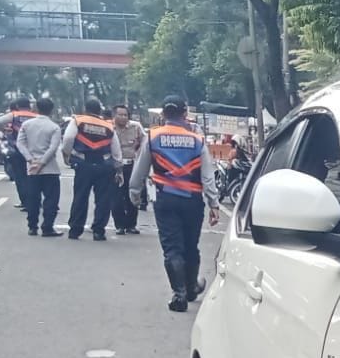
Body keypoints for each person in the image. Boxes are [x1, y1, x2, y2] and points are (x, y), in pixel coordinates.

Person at [128, 100, 220, 312]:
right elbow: (207, 175)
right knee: (190, 245)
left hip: (165, 199)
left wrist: (134, 193)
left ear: (163, 113)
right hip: (192, 200)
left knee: (172, 248)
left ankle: (178, 294)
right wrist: (213, 203)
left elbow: (140, 169)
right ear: (185, 113)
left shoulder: (154, 136)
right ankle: (191, 287)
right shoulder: (198, 139)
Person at [61, 99, 123, 241]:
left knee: (80, 197)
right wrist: (118, 168)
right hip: (104, 164)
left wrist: (67, 155)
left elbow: (68, 139)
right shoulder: (108, 125)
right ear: (99, 110)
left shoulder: (78, 121)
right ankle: (99, 231)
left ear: (85, 108)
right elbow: (116, 149)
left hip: (84, 164)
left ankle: (75, 230)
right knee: (103, 200)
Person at [16, 98, 65, 237]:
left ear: (36, 108)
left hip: (32, 169)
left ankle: (32, 227)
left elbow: (20, 144)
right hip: (50, 168)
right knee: (51, 199)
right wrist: (42, 162)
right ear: (52, 110)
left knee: (33, 199)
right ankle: (47, 227)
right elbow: (53, 147)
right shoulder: (54, 127)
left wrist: (31, 160)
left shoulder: (26, 124)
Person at [0, 98, 40, 209]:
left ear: (18, 106)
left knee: (20, 177)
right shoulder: (36, 116)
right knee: (34, 177)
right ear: (30, 106)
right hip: (34, 151)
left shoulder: (14, 115)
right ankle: (36, 201)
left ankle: (25, 202)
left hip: (17, 150)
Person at [111, 104, 146, 235]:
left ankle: (131, 224)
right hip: (115, 167)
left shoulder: (136, 127)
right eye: (120, 115)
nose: (123, 117)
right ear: (114, 116)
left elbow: (145, 143)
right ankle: (119, 225)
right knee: (116, 197)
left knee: (132, 195)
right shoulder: (110, 128)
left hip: (132, 165)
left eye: (125, 115)